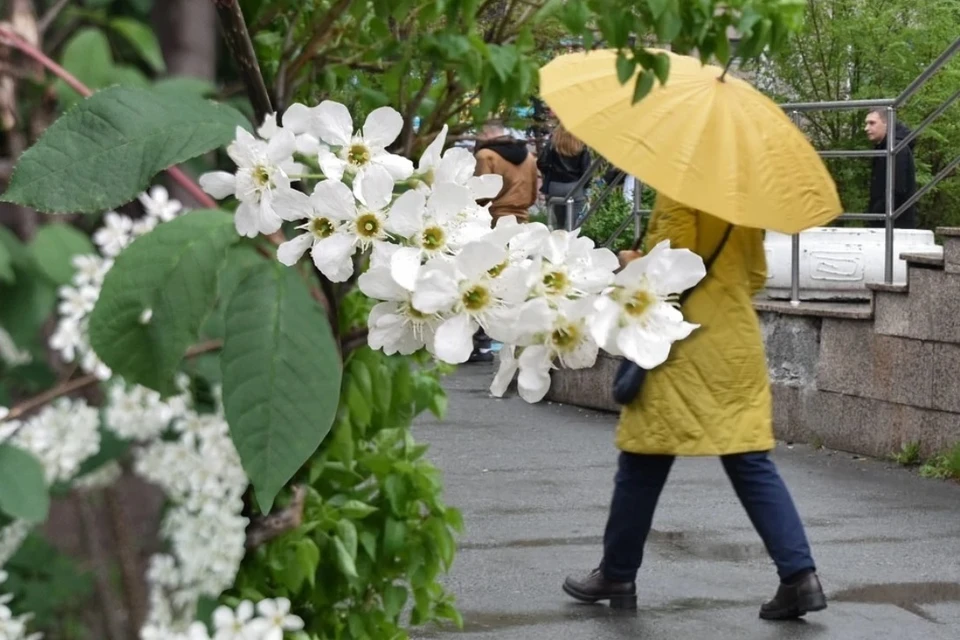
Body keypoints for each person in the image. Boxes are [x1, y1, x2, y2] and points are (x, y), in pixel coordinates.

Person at [563, 194, 826, 621]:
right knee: (750, 461)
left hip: (682, 343)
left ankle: (617, 573)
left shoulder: (683, 187)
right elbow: (756, 273)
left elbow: (669, 270)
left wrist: (630, 259)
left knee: (642, 460)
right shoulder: (743, 195)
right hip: (736, 342)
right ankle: (800, 577)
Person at [474, 120, 539, 227]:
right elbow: (533, 193)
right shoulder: (529, 157)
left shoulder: (485, 156)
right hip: (523, 219)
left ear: (484, 132)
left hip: (493, 219)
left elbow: (479, 194)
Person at [864, 110, 919, 229]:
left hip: (895, 225)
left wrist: (876, 214)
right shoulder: (885, 148)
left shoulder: (896, 149)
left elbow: (898, 189)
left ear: (886, 124)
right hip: (887, 222)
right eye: (866, 123)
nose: (866, 128)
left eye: (872, 123)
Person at [537, 123, 592, 229]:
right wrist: (586, 187)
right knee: (573, 222)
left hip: (555, 185)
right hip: (575, 186)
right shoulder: (581, 146)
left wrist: (550, 173)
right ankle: (571, 238)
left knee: (559, 222)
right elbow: (587, 171)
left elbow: (541, 162)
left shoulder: (552, 145)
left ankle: (559, 237)